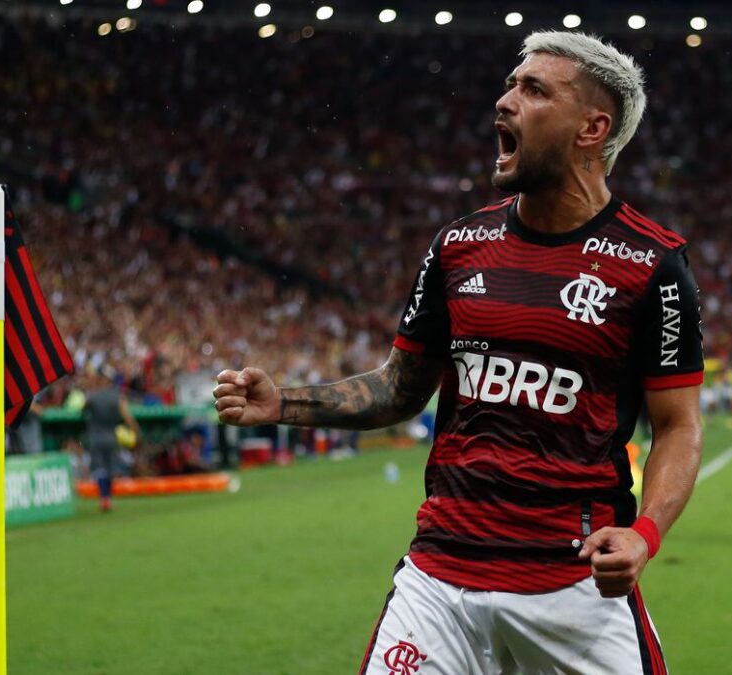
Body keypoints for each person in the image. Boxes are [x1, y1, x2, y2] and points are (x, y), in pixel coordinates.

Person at [214, 31, 703, 674]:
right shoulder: (459, 245)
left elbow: (678, 426)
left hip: (574, 585)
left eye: (534, 90)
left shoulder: (653, 265)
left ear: (592, 129)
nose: (505, 101)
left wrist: (645, 534)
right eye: (510, 84)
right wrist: (285, 403)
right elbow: (399, 387)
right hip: (440, 582)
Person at [83, 369, 140, 512]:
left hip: (95, 437)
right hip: (111, 436)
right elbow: (127, 417)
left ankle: (104, 498)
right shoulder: (117, 397)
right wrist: (136, 431)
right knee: (110, 469)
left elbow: (82, 409)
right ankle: (107, 498)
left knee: (99, 468)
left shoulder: (92, 396)